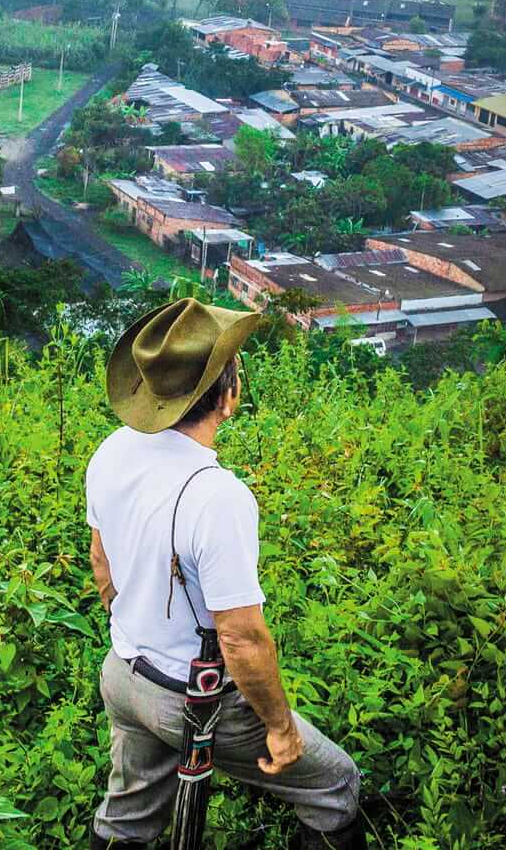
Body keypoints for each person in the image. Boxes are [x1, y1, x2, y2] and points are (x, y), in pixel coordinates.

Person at [86, 298, 364, 849]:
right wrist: (282, 729)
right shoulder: (217, 497)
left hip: (123, 674)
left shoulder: (112, 450)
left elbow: (101, 563)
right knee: (335, 783)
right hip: (191, 698)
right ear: (228, 396)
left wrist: (140, 627)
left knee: (126, 820)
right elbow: (241, 636)